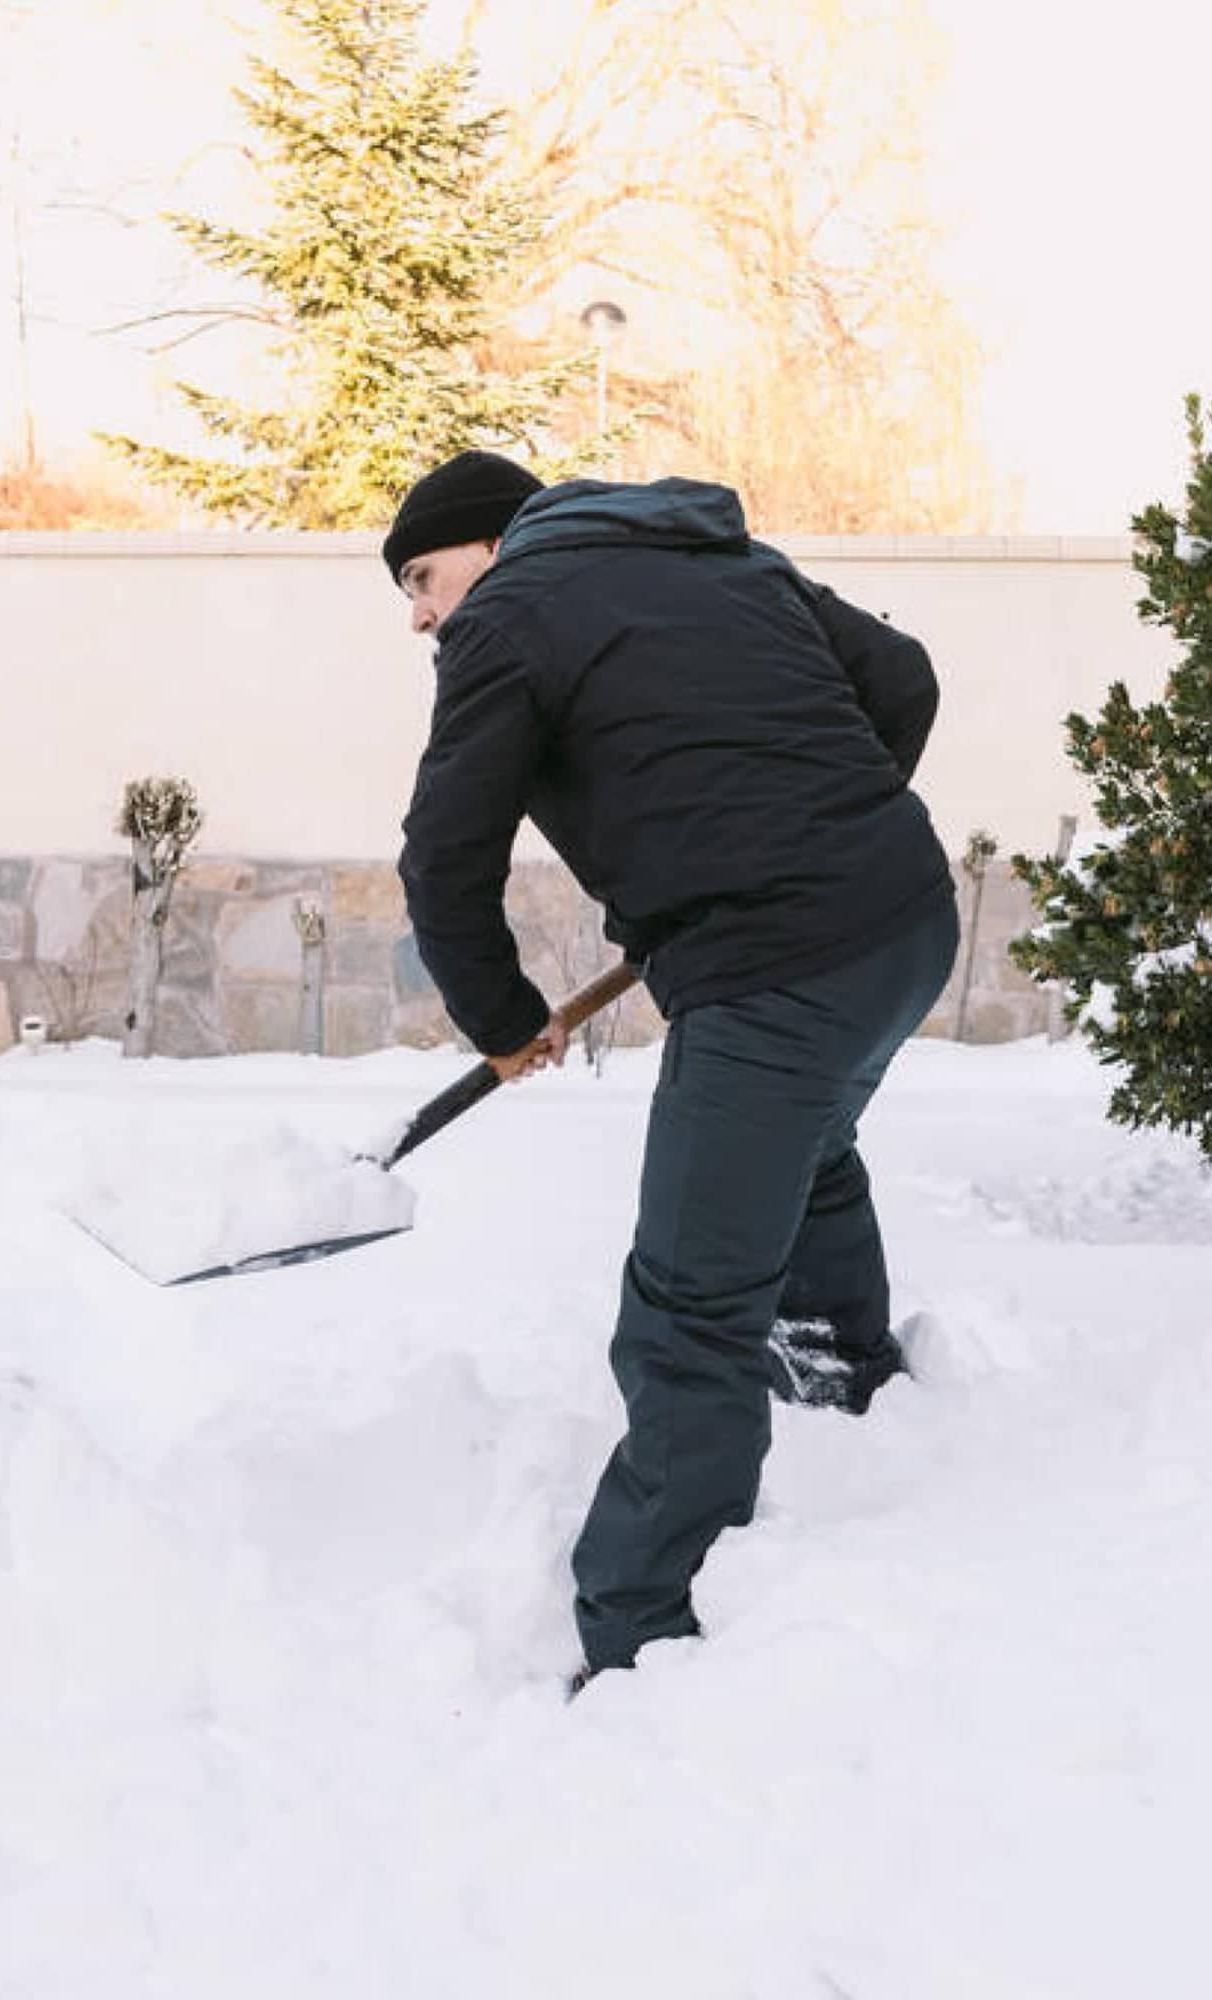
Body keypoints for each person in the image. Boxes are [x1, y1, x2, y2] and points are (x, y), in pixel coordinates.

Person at [385, 448, 959, 1691]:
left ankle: (639, 1626)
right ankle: (845, 1387)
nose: (424, 614)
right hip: (905, 924)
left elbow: (444, 855)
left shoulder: (509, 621)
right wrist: (821, 829)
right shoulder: (720, 556)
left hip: (779, 966)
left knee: (690, 1303)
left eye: (423, 579)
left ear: (490, 544)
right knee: (804, 1150)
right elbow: (901, 679)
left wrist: (498, 1015)